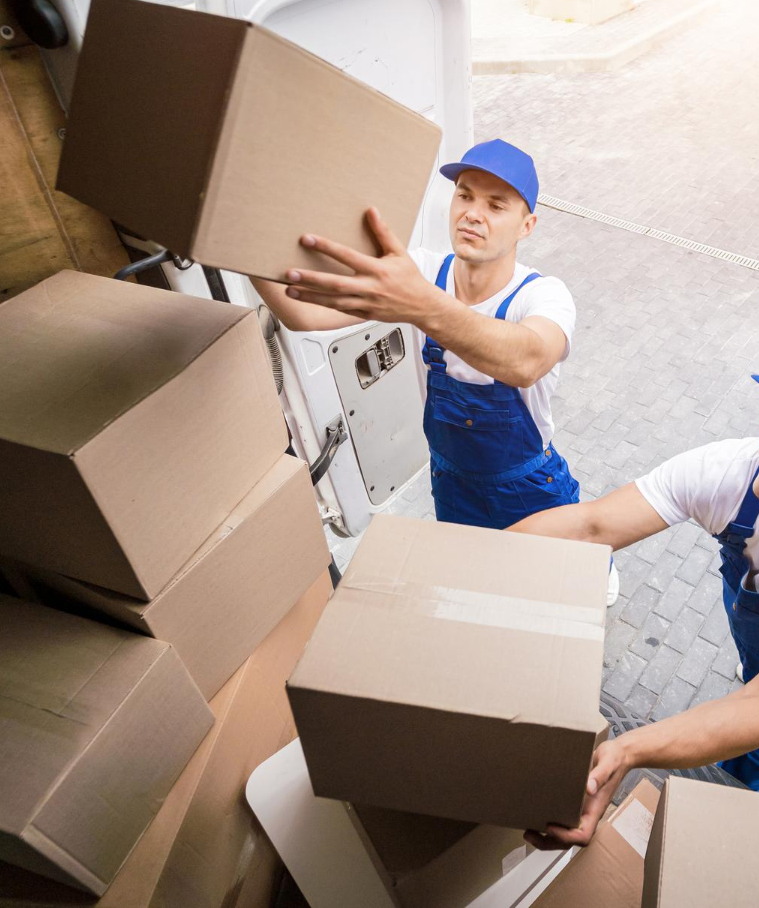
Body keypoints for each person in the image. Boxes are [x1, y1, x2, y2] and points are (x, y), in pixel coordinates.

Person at [511, 354, 759, 847]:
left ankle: (736, 790)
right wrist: (457, 569)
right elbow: (590, 526)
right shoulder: (729, 471)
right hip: (757, 621)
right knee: (757, 668)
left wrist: (628, 750)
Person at [252, 139, 619, 601]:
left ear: (527, 225)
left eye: (495, 205)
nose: (472, 213)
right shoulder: (424, 271)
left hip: (527, 488)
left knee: (564, 585)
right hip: (452, 483)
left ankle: (600, 566)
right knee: (480, 587)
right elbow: (303, 315)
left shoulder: (542, 295)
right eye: (464, 195)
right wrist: (238, 242)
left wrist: (422, 306)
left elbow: (527, 360)